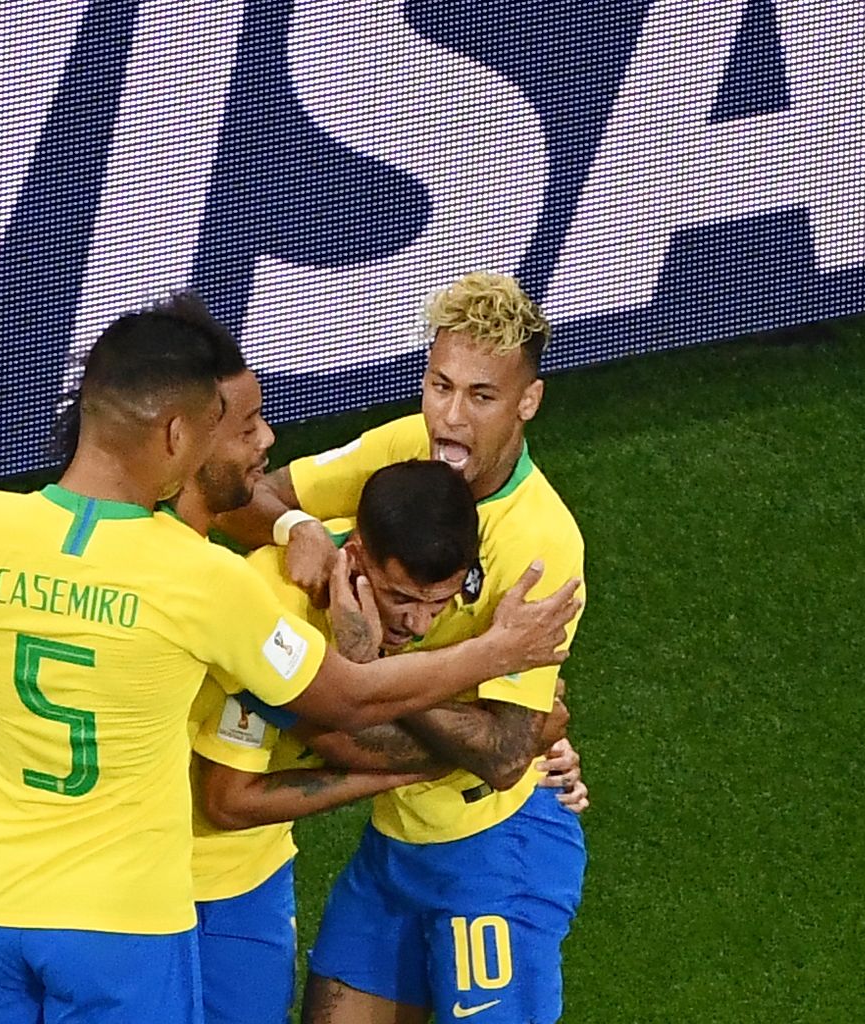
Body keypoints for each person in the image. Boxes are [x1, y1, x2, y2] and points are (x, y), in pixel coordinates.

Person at [0, 293, 581, 1024]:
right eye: (236, 427)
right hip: (120, 911)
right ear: (179, 438)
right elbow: (342, 704)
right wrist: (495, 655)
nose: (266, 442)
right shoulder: (209, 585)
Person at [221, 272, 589, 1024]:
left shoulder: (541, 544)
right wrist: (298, 530)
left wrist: (374, 667)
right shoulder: (409, 449)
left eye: (481, 396)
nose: (450, 419)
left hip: (495, 849)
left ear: (527, 402)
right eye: (439, 385)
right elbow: (241, 499)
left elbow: (503, 754)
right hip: (395, 842)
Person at [182, 460, 582, 1024]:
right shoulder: (278, 605)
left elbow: (511, 738)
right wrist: (482, 749)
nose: (418, 624)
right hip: (386, 853)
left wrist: (383, 668)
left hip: (498, 851)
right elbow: (344, 739)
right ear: (355, 558)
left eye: (437, 604)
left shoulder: (480, 597)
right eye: (400, 598)